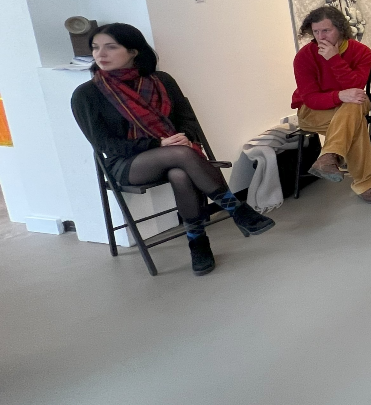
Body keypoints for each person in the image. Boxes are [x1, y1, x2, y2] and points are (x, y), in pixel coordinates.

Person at [71, 24, 274, 276]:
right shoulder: (86, 94)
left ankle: (197, 241)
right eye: (95, 47)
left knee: (180, 172)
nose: (100, 54)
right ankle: (236, 209)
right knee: (181, 155)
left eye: (111, 47)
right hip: (127, 163)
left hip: (176, 153)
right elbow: (105, 145)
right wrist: (159, 143)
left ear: (133, 51)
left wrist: (184, 137)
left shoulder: (162, 81)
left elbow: (187, 120)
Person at [292, 6, 371, 204]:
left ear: (340, 28)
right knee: (357, 123)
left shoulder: (361, 52)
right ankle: (365, 184)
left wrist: (334, 59)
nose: (320, 37)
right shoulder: (304, 57)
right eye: (316, 31)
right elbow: (311, 99)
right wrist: (339, 96)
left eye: (326, 30)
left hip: (352, 103)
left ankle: (329, 156)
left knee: (355, 105)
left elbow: (356, 87)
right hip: (313, 110)